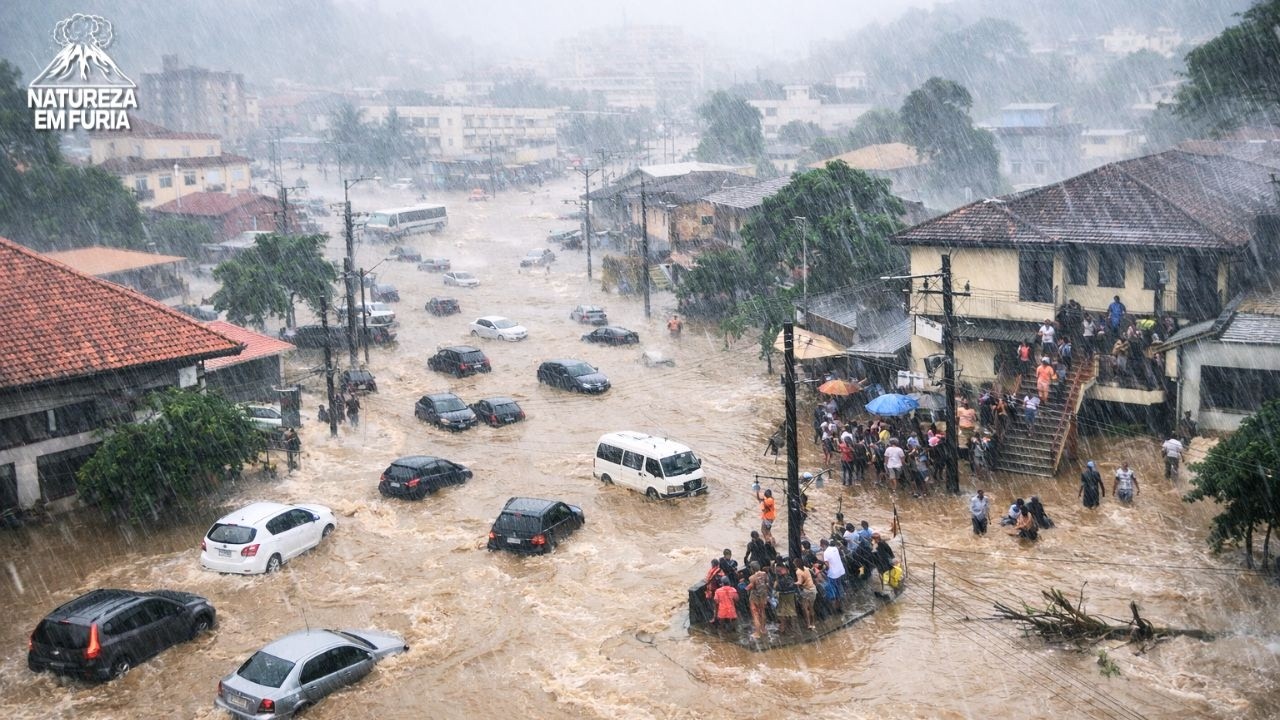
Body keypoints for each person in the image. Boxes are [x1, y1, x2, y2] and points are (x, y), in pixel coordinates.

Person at [746, 562, 770, 640]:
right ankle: (763, 629)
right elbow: (767, 583)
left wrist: (745, 588)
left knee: (755, 615)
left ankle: (757, 633)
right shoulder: (764, 574)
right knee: (762, 612)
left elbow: (751, 586)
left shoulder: (751, 578)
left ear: (752, 569)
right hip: (763, 596)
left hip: (754, 597)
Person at [773, 564, 798, 634]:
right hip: (791, 594)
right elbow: (793, 585)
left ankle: (783, 628)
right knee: (792, 611)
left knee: (782, 613)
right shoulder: (790, 578)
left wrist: (775, 586)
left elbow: (777, 588)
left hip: (783, 596)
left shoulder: (779, 580)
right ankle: (793, 628)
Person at [794, 560, 818, 630]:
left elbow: (799, 582)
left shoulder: (798, 571)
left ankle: (808, 624)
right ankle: (813, 623)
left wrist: (793, 583)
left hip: (806, 591)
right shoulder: (807, 568)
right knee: (811, 607)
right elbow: (814, 575)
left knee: (805, 608)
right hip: (813, 589)